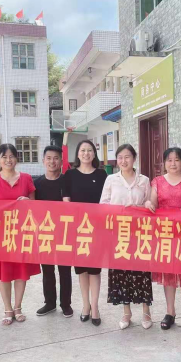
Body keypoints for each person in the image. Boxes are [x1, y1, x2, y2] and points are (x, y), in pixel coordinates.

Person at [145, 147, 181, 334]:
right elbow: (153, 203)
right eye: (169, 160)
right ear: (164, 163)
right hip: (165, 233)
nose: (173, 163)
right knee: (168, 275)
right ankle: (170, 312)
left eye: (177, 160)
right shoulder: (157, 182)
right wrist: (148, 204)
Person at [0, 143, 41, 325]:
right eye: (4, 157)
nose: (8, 160)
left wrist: (27, 202)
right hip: (1, 234)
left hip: (22, 232)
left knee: (21, 271)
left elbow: (33, 206)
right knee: (4, 272)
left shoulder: (26, 179)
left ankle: (18, 307)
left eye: (11, 156)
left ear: (17, 158)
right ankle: (7, 309)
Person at [100, 144, 153, 330]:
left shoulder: (144, 180)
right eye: (120, 157)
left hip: (139, 233)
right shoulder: (111, 180)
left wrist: (145, 205)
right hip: (119, 233)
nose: (123, 161)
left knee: (142, 271)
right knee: (121, 273)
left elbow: (149, 203)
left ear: (134, 159)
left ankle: (146, 311)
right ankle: (126, 312)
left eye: (127, 157)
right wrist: (119, 210)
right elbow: (103, 204)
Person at [63, 140, 108, 326]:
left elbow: (107, 200)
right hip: (78, 228)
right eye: (83, 150)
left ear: (94, 154)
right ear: (78, 153)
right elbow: (66, 200)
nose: (86, 153)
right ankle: (85, 306)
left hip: (97, 228)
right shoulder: (70, 174)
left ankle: (95, 307)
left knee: (94, 269)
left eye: (90, 150)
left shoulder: (102, 174)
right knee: (81, 269)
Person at [34, 145, 73, 318]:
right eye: (48, 158)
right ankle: (49, 303)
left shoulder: (67, 181)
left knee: (65, 270)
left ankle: (66, 304)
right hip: (45, 232)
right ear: (43, 161)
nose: (52, 161)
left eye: (56, 158)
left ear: (61, 161)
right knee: (47, 270)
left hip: (64, 232)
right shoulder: (36, 183)